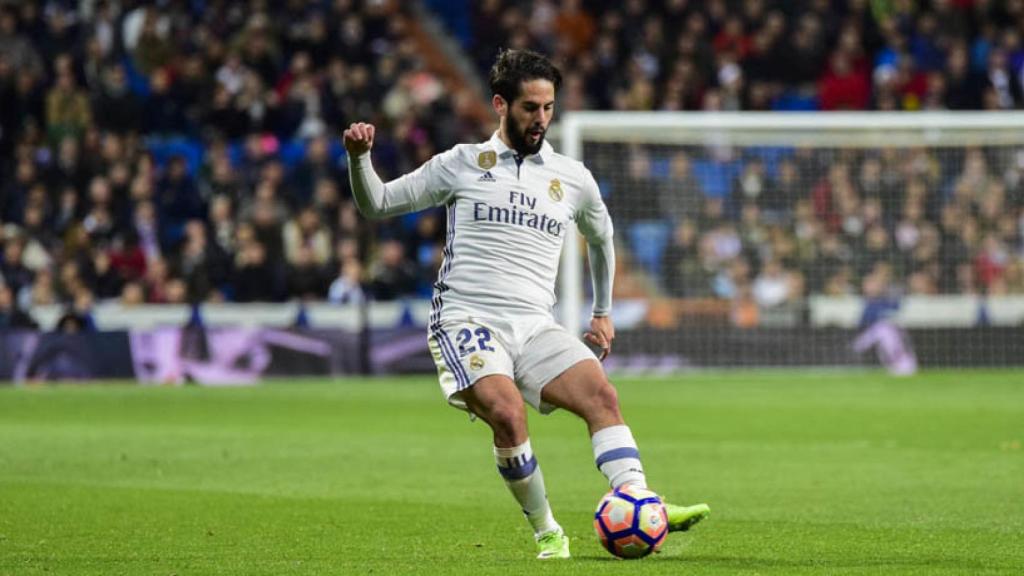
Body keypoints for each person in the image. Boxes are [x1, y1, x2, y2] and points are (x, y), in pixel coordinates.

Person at [344, 49, 709, 559]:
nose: (540, 119)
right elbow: (376, 203)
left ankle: (636, 498)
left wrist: (602, 311)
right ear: (501, 104)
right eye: (529, 108)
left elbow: (602, 238)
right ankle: (547, 530)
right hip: (466, 319)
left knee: (601, 396)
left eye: (548, 108)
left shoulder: (572, 177)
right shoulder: (461, 164)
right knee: (508, 415)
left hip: (535, 326)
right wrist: (359, 159)